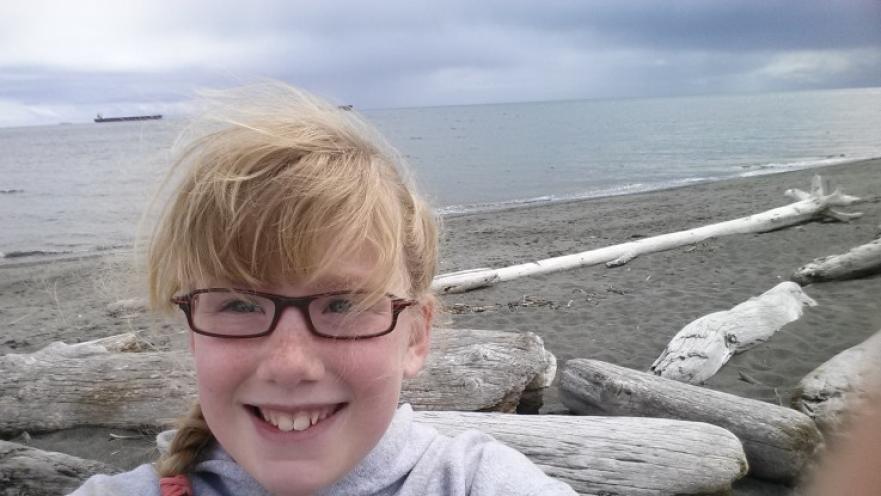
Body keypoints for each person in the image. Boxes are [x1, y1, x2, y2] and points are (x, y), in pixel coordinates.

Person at [71, 84, 576, 496]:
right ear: (194, 335)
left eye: (342, 304)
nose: (290, 366)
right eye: (240, 304)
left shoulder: (476, 483)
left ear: (415, 337)